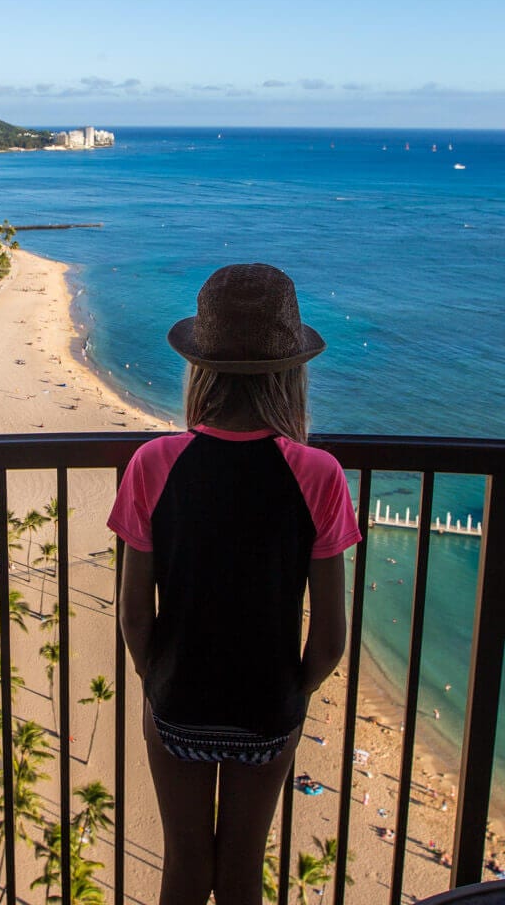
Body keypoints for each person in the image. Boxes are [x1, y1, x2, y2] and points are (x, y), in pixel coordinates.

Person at [108, 264, 361, 905]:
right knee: (244, 872)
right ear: (290, 372)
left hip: (179, 698)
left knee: (185, 866)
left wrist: (158, 679)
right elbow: (330, 638)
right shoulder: (320, 474)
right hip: (267, 708)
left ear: (201, 369)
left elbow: (135, 615)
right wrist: (288, 690)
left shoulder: (154, 463)